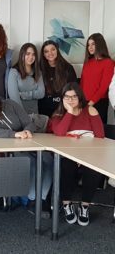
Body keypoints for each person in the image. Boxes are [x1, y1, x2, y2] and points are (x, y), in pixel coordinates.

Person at [0, 87, 52, 212]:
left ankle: (42, 198)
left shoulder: (10, 104)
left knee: (48, 160)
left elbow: (28, 122)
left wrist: (27, 130)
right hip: (12, 149)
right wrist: (14, 134)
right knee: (30, 163)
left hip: (29, 142)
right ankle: (32, 199)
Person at [48, 82, 104, 226]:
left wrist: (85, 155)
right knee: (66, 166)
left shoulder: (90, 110)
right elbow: (60, 133)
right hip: (68, 154)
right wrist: (70, 113)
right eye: (67, 97)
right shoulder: (58, 115)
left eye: (74, 96)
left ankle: (84, 206)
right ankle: (67, 204)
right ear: (62, 98)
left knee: (94, 169)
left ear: (80, 97)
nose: (71, 100)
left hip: (89, 153)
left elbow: (100, 137)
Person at [80, 33, 114, 124]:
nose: (90, 47)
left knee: (98, 132)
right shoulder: (87, 62)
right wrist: (80, 101)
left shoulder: (108, 63)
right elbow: (82, 83)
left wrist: (91, 103)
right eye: (88, 45)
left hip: (99, 102)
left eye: (93, 44)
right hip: (84, 101)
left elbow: (104, 87)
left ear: (100, 45)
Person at [38, 40, 77, 117]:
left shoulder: (68, 68)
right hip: (44, 109)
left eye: (53, 49)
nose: (50, 53)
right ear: (43, 54)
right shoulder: (39, 68)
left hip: (63, 108)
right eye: (46, 51)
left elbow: (73, 89)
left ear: (57, 50)